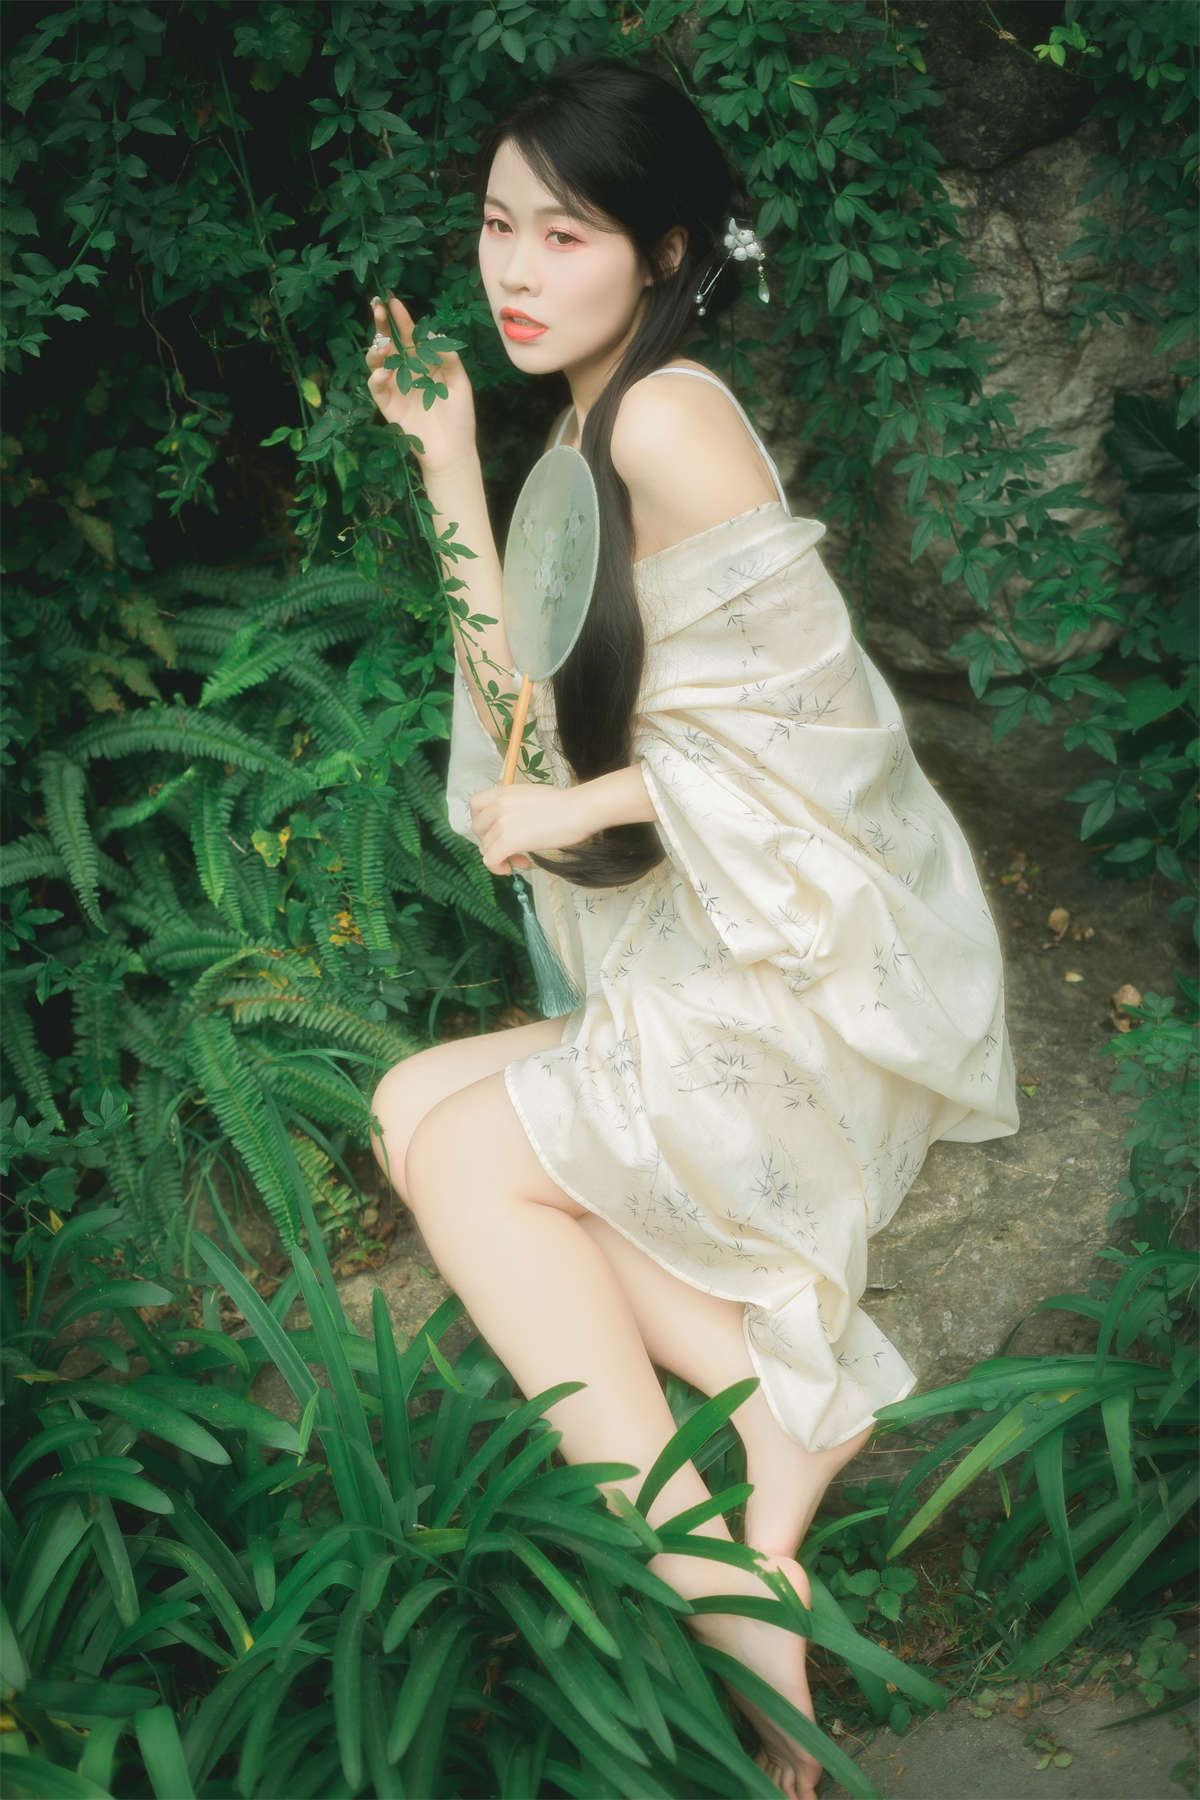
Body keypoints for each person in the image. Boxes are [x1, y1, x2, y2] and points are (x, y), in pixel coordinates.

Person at [366, 52, 1019, 1800]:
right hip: (702, 943)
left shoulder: (667, 420)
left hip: (802, 966)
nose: (514, 269)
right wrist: (449, 461)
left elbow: (822, 753)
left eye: (563, 234)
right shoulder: (580, 435)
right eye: (498, 224)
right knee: (405, 1105)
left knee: (466, 1159)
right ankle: (779, 1385)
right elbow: (518, 720)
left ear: (662, 254)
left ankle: (711, 1573)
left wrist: (578, 808)